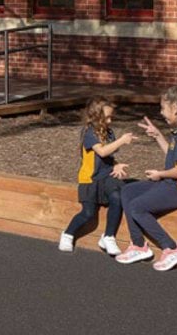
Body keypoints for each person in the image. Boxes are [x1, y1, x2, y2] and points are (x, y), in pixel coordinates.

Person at [117, 84, 177, 271]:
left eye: (163, 108)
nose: (161, 112)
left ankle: (171, 248)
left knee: (137, 206)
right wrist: (157, 136)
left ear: (175, 109)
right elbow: (171, 157)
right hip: (170, 184)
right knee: (128, 190)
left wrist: (159, 174)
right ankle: (138, 245)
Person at [58, 97, 134, 254]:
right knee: (88, 213)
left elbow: (108, 156)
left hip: (106, 176)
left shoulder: (108, 132)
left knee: (117, 197)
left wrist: (116, 164)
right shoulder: (89, 132)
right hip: (90, 179)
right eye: (107, 117)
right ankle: (68, 234)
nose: (110, 120)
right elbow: (102, 151)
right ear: (95, 116)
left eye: (111, 116)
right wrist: (121, 141)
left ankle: (108, 236)